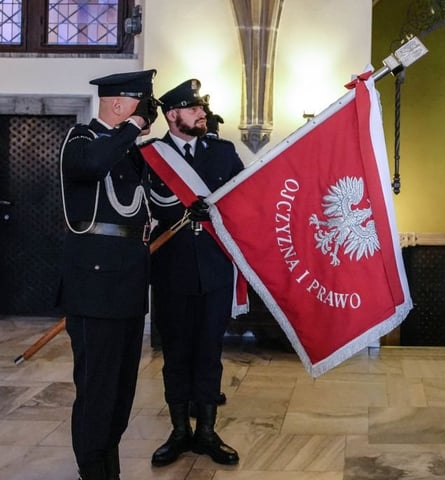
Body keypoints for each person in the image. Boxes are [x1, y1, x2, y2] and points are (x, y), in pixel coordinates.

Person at [58, 69, 159, 480]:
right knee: (97, 388)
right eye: (141, 105)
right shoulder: (82, 139)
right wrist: (133, 128)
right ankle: (92, 469)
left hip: (130, 283)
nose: (146, 114)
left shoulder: (130, 150)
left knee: (121, 391)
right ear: (118, 104)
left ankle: (107, 465)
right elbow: (93, 165)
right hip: (95, 286)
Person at [148, 79, 244, 467]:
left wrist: (218, 213)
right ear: (172, 116)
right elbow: (143, 207)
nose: (201, 113)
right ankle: (179, 432)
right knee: (175, 353)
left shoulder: (223, 153)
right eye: (192, 109)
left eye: (202, 108)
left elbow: (243, 200)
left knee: (210, 351)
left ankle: (206, 431)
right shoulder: (150, 155)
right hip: (172, 270)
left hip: (215, 269)